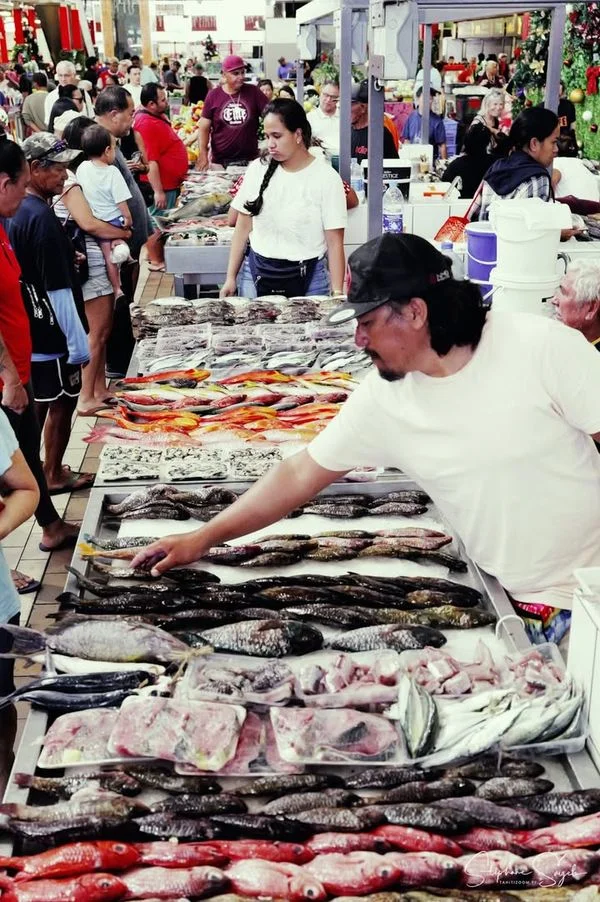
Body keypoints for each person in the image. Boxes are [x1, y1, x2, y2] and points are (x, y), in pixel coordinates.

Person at [133, 231, 600, 634]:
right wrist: (204, 537)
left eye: (368, 322)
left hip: (590, 592)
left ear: (415, 312)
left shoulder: (540, 347)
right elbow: (299, 475)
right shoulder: (385, 398)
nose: (358, 339)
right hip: (506, 595)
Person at [7, 134, 94, 513]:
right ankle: (52, 471)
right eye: (58, 168)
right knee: (57, 405)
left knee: (37, 410)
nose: (65, 175)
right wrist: (78, 345)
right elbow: (57, 290)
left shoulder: (19, 213)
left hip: (31, 335)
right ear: (35, 170)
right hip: (49, 335)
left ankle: (44, 476)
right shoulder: (38, 216)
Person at [220, 98, 346, 300]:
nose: (270, 144)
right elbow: (243, 228)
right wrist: (230, 277)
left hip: (310, 279)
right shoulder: (257, 170)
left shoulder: (326, 178)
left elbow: (335, 242)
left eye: (277, 136)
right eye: (267, 136)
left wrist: (338, 292)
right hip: (256, 275)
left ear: (298, 134)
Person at [58, 116, 134, 414]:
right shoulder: (72, 181)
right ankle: (86, 397)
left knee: (104, 329)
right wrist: (124, 232)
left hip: (95, 257)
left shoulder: (82, 173)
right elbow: (90, 224)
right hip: (90, 259)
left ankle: (99, 388)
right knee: (98, 329)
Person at [95, 86, 154, 378]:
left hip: (127, 245)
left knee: (125, 301)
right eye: (130, 113)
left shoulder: (113, 143)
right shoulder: (98, 147)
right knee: (117, 308)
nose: (133, 119)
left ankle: (122, 360)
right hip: (116, 247)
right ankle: (118, 365)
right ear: (114, 113)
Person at [133, 83, 188, 271]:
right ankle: (157, 261)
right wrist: (158, 191)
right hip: (162, 185)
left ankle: (156, 256)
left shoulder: (154, 118)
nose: (166, 102)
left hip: (168, 183)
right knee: (157, 223)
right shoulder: (146, 124)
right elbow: (152, 161)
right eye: (162, 99)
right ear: (151, 104)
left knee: (162, 221)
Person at [471, 107, 559, 221]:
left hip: (485, 238)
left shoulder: (498, 166)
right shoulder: (537, 178)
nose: (556, 149)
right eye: (554, 142)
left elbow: (473, 214)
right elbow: (533, 231)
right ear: (534, 144)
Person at [77, 124, 132, 301]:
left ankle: (117, 288)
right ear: (107, 150)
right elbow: (121, 201)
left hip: (98, 221)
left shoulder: (82, 168)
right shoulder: (112, 172)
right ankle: (120, 283)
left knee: (108, 256)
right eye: (114, 147)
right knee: (115, 251)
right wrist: (128, 219)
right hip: (115, 221)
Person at [197, 55, 268, 170]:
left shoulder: (253, 92)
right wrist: (203, 153)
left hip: (250, 161)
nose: (241, 77)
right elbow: (204, 128)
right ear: (224, 75)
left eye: (242, 72)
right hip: (220, 163)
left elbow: (271, 116)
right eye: (235, 73)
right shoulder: (213, 95)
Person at [350, 79, 398, 164]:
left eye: (350, 104)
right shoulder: (347, 132)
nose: (343, 109)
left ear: (363, 107)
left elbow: (393, 169)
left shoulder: (380, 134)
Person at [443, 127, 494, 198]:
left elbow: (444, 184)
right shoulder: (495, 163)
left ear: (466, 142)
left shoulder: (457, 164)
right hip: (488, 205)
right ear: (488, 143)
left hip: (462, 205)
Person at [402, 87, 447, 160]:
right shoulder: (411, 117)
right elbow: (407, 140)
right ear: (418, 99)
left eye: (430, 98)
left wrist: (444, 163)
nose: (428, 101)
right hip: (413, 159)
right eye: (425, 97)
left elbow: (442, 145)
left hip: (430, 161)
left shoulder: (437, 121)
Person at [465, 89, 508, 158]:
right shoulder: (478, 122)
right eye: (495, 104)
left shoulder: (496, 120)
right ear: (487, 104)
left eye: (501, 104)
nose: (498, 107)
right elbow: (471, 148)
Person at [307, 79, 340, 157]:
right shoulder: (310, 118)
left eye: (333, 97)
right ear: (320, 93)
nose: (328, 100)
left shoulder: (345, 117)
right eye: (325, 95)